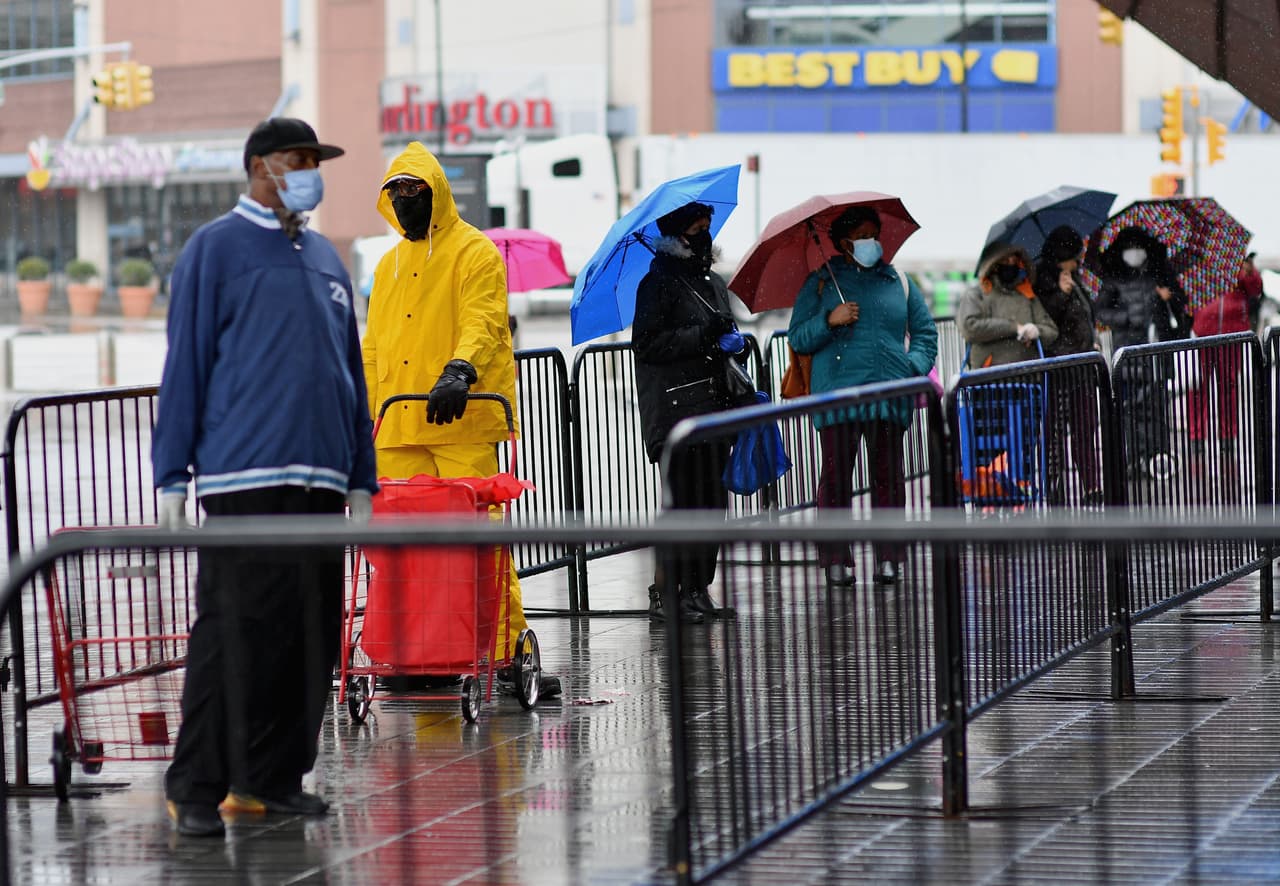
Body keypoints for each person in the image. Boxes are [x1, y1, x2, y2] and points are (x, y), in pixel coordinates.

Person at [152, 118, 379, 837]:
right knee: (233, 635)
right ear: (259, 167)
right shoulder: (214, 250)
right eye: (296, 159)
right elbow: (185, 364)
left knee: (308, 636)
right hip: (244, 475)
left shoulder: (323, 257)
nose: (308, 170)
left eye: (315, 160)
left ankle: (275, 776)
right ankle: (196, 786)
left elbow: (351, 372)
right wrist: (172, 477)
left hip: (319, 478)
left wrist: (360, 478)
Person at [361, 141, 560, 698]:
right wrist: (364, 407)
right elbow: (374, 346)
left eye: (414, 191)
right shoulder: (388, 264)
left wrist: (460, 370)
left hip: (459, 419)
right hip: (397, 425)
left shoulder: (474, 252)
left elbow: (486, 321)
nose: (404, 201)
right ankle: (416, 652)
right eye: (395, 191)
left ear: (437, 193)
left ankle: (504, 651)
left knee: (480, 544)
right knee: (399, 548)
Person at [788, 205, 938, 587]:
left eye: (875, 233)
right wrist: (829, 320)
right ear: (842, 242)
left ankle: (890, 557)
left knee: (889, 478)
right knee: (837, 478)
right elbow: (798, 337)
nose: (872, 242)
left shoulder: (898, 281)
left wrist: (912, 367)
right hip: (838, 396)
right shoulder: (821, 283)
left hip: (890, 394)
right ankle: (835, 559)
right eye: (863, 235)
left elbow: (925, 334)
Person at [633, 201, 748, 622]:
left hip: (716, 409)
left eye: (707, 226)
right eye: (696, 228)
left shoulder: (712, 282)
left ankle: (698, 589)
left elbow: (726, 333)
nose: (705, 234)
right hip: (677, 412)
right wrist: (705, 335)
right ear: (677, 233)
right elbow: (647, 344)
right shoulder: (657, 282)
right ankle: (670, 593)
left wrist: (738, 344)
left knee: (711, 503)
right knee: (684, 505)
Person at [1095, 226, 1190, 479]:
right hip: (1126, 357)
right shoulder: (1113, 280)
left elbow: (1181, 308)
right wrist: (1126, 317)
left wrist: (1169, 297)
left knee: (1156, 410)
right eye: (1130, 247)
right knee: (1128, 412)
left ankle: (1157, 458)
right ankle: (1132, 460)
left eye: (1138, 246)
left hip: (1156, 357)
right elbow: (1100, 312)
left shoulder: (1160, 274)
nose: (1134, 252)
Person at [1032, 226, 1102, 506]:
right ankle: (1053, 487)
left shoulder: (1076, 280)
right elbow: (1047, 322)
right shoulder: (1043, 281)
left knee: (1086, 428)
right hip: (1059, 369)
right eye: (1075, 256)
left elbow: (1085, 317)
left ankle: (1091, 487)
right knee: (1055, 433)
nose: (1079, 261)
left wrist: (1091, 342)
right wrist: (1060, 294)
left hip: (1082, 366)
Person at [1187, 254, 1262, 454]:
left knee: (1228, 386)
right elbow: (1187, 294)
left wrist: (1249, 271)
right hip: (1204, 333)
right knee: (1197, 387)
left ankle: (1228, 434)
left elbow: (1256, 289)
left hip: (1231, 335)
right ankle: (1196, 436)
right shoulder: (1198, 267)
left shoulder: (1238, 267)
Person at [958, 241, 1059, 369]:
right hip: (988, 379)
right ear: (994, 265)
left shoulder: (1026, 295)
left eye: (1014, 261)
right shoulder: (977, 294)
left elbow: (1051, 331)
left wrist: (1036, 331)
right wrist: (1013, 327)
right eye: (1005, 261)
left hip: (1027, 379)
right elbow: (970, 327)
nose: (1011, 265)